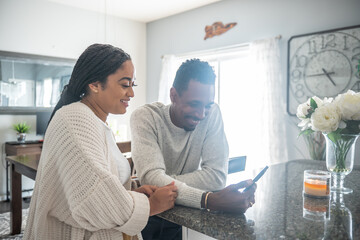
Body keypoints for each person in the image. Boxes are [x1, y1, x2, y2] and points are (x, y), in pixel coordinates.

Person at [23, 44, 178, 240]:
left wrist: (133, 194)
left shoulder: (94, 121)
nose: (131, 93)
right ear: (94, 85)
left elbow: (92, 186)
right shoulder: (75, 119)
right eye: (124, 84)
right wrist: (151, 205)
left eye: (133, 85)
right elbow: (95, 199)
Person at [130, 59, 257, 240]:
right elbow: (151, 177)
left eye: (207, 105)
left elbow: (216, 177)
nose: (201, 114)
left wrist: (164, 183)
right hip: (152, 215)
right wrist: (209, 200)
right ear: (173, 95)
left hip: (188, 213)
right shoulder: (145, 117)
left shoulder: (211, 113)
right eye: (194, 104)